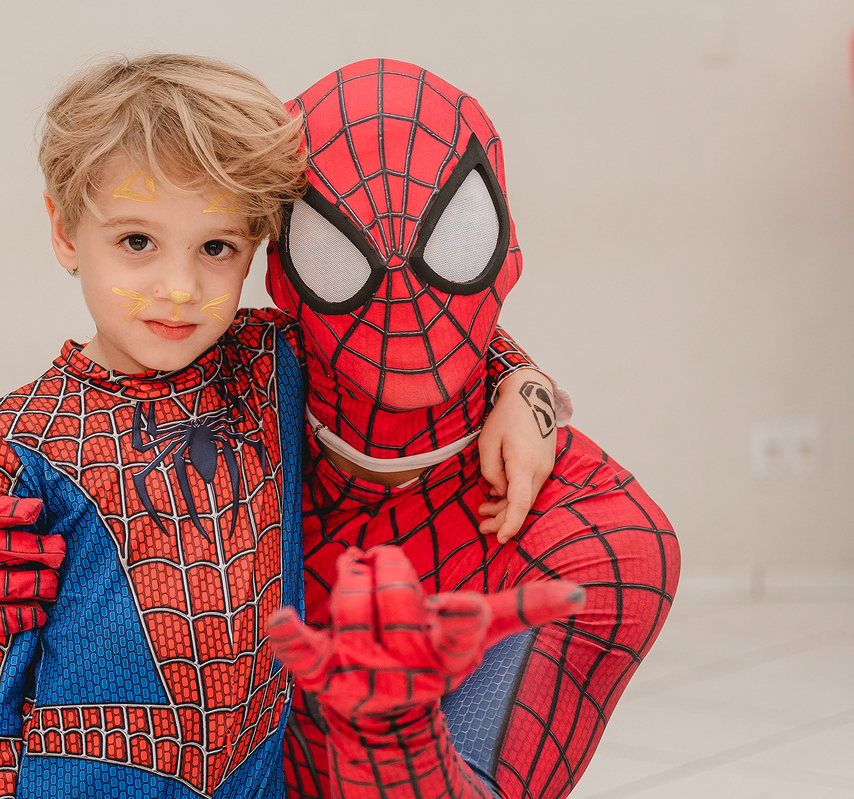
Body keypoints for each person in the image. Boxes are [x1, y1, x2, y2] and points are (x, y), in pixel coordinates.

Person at [0, 55, 586, 799]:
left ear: (256, 253)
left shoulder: (270, 362)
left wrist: (521, 382)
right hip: (83, 773)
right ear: (65, 231)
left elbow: (405, 331)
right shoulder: (21, 435)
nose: (179, 288)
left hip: (256, 772)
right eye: (136, 241)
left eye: (216, 247)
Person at [263, 59, 681, 799]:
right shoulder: (230, 420)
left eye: (451, 239)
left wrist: (397, 741)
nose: (399, 294)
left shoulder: (599, 537)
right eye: (339, 253)